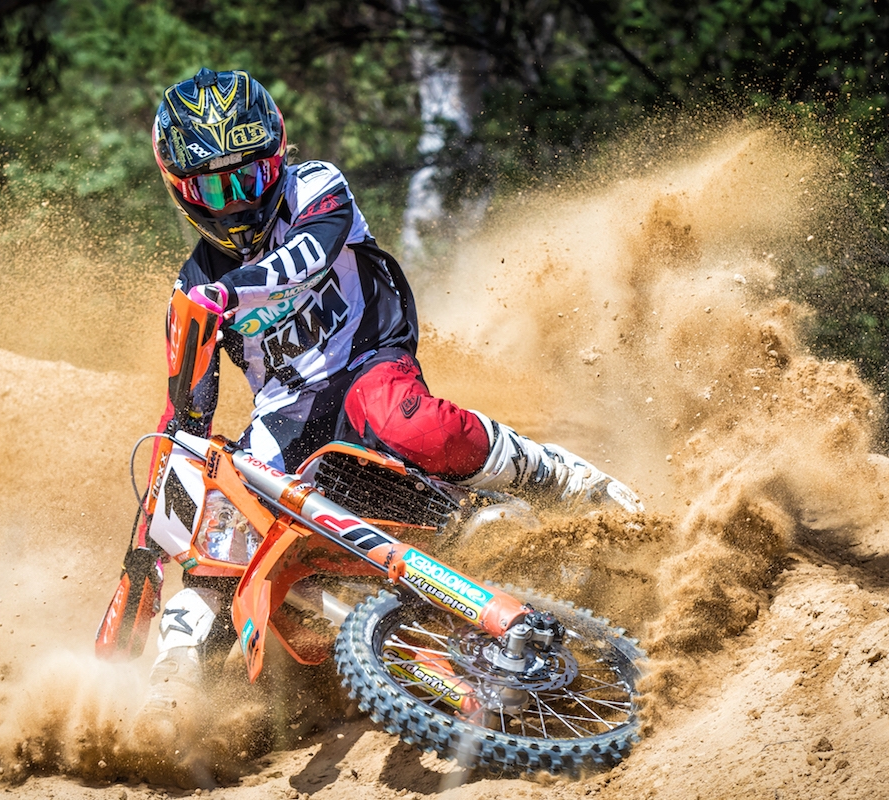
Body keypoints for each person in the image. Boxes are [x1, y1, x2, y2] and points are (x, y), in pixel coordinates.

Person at [144, 68, 642, 700]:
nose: (237, 201)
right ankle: (177, 674)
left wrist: (228, 294)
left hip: (365, 362)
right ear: (182, 191)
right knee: (220, 527)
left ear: (278, 155)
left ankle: (553, 474)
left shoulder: (316, 186)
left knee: (406, 421)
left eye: (251, 176)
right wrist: (153, 539)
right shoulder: (191, 287)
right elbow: (185, 421)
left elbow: (308, 257)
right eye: (215, 188)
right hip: (284, 415)